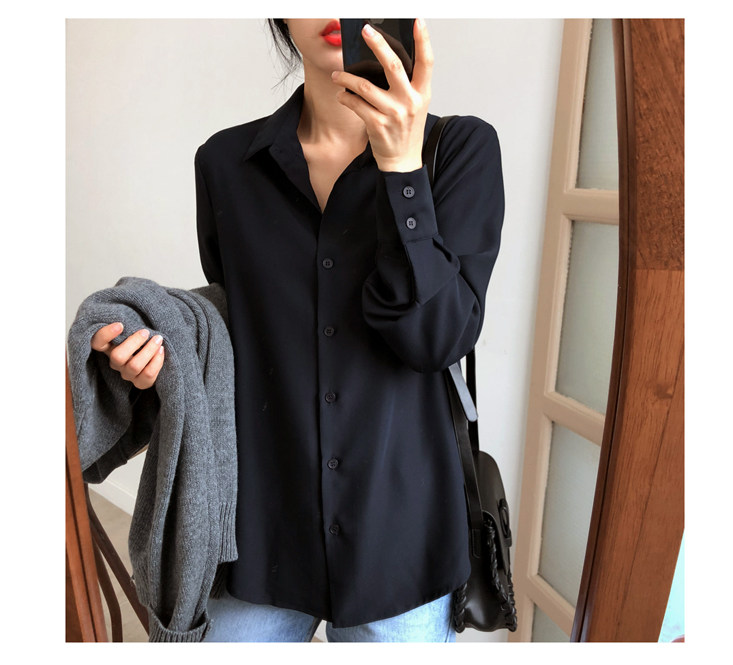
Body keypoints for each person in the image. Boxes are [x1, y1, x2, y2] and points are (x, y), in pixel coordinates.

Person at [89, 18, 504, 642]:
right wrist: (162, 352)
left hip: (402, 537)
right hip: (261, 530)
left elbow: (439, 339)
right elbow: (235, 328)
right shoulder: (225, 163)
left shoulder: (461, 150)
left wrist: (401, 170)